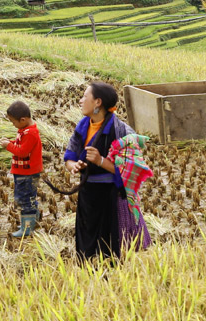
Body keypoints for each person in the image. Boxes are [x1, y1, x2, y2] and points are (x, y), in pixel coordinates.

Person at [62, 81, 151, 260]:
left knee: (110, 247)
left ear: (97, 102)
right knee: (86, 245)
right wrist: (74, 167)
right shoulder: (82, 127)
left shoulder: (122, 132)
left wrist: (101, 161)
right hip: (87, 195)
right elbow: (69, 156)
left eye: (85, 96)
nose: (80, 101)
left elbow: (131, 170)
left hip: (110, 196)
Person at [0, 100, 41, 238]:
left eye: (13, 122)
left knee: (25, 199)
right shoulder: (25, 130)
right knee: (28, 198)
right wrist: (10, 142)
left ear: (23, 119)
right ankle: (31, 220)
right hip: (23, 172)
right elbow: (20, 146)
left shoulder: (30, 133)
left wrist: (8, 146)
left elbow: (22, 152)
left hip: (27, 173)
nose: (13, 124)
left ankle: (27, 228)